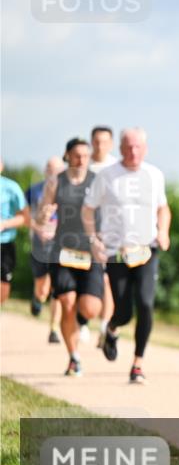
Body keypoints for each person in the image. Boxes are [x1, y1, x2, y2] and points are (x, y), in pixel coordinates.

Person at [82, 128, 171, 384]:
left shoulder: (155, 175)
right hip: (116, 252)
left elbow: (163, 209)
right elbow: (88, 211)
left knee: (145, 303)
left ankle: (138, 363)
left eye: (138, 147)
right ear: (120, 149)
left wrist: (163, 231)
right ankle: (111, 329)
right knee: (124, 311)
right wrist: (93, 240)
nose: (133, 152)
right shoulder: (107, 176)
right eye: (129, 147)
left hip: (147, 249)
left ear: (146, 148)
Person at [37, 139, 105, 377]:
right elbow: (42, 213)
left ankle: (81, 320)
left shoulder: (97, 182)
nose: (82, 160)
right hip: (63, 251)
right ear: (67, 156)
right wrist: (45, 215)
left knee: (90, 309)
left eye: (86, 155)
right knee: (66, 303)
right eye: (77, 155)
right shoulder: (57, 181)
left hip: (90, 251)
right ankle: (74, 358)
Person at [26, 156, 65, 343]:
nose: (53, 172)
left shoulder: (68, 192)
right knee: (43, 289)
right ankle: (37, 299)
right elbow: (25, 216)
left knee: (57, 287)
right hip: (38, 244)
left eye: (57, 169)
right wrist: (38, 228)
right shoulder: (33, 191)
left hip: (59, 245)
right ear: (45, 170)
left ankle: (54, 329)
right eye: (50, 168)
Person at [89, 125, 117, 348]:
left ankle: (104, 326)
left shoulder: (116, 167)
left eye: (104, 141)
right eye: (96, 141)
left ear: (111, 144)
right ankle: (82, 321)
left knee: (108, 280)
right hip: (84, 231)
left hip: (109, 232)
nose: (100, 145)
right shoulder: (82, 165)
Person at [0, 158, 29, 305]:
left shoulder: (11, 187)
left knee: (3, 283)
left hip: (4, 242)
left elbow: (24, 217)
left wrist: (4, 224)